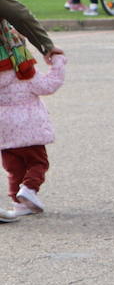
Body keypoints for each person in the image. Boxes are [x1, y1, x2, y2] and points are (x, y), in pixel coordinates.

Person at [0, 20, 65, 220]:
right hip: (29, 126)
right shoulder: (25, 73)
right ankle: (29, 188)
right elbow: (49, 86)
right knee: (38, 163)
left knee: (13, 167)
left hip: (4, 128)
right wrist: (58, 63)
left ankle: (18, 203)